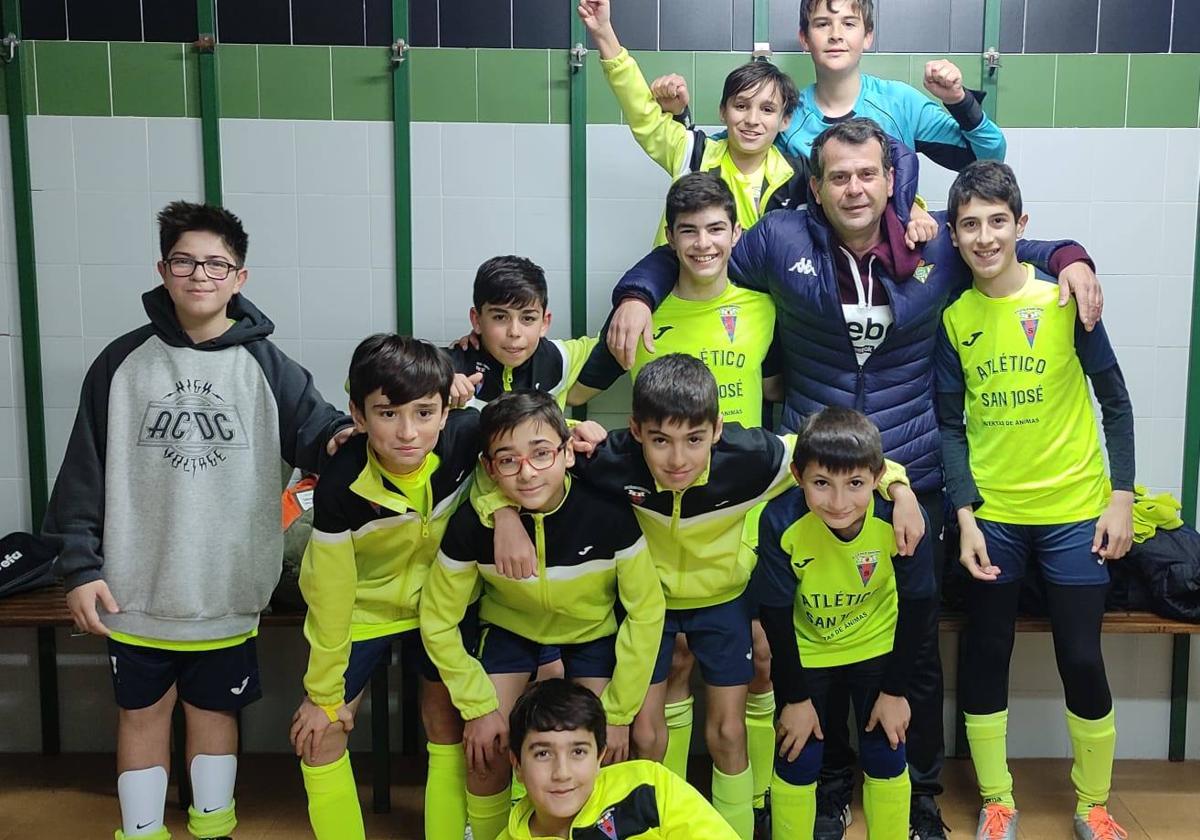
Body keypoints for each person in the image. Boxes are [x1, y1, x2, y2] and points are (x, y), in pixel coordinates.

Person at [604, 117, 1103, 839]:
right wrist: (635, 292)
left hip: (911, 474)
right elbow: (695, 253)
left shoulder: (933, 245)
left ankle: (920, 794)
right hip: (812, 475)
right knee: (815, 638)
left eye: (868, 173)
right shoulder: (780, 241)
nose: (855, 188)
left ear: (891, 180)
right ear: (816, 186)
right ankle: (831, 788)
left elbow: (1001, 245)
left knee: (914, 642)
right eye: (838, 176)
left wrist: (1070, 256)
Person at [42, 201, 353, 840]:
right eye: (184, 261)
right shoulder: (121, 363)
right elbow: (81, 476)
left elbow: (324, 433)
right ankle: (142, 832)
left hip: (226, 592)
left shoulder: (268, 366)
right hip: (135, 592)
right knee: (142, 716)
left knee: (214, 716)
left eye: (216, 263)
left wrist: (364, 429)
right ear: (163, 270)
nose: (200, 275)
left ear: (239, 277)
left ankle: (214, 829)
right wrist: (79, 568)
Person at [570, 171, 781, 826]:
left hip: (739, 520)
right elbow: (573, 389)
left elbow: (784, 395)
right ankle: (673, 819)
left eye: (717, 229)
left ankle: (757, 807)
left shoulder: (765, 308)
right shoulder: (638, 316)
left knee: (758, 669)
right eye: (688, 231)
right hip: (657, 536)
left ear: (736, 233)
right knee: (666, 688)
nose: (703, 243)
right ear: (668, 237)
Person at [934, 161, 1133, 840]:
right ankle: (997, 800)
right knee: (988, 653)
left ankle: (1094, 804)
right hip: (995, 521)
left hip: (1075, 515)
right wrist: (965, 516)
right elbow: (950, 427)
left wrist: (1121, 498)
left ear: (1021, 225)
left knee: (1081, 656)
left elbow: (1116, 404)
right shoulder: (955, 318)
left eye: (998, 221)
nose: (984, 237)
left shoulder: (1064, 300)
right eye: (969, 225)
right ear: (953, 236)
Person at [421, 390, 665, 840]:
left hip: (590, 632)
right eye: (508, 461)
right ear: (489, 469)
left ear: (567, 453)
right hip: (511, 629)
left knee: (603, 750)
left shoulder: (607, 511)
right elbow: (437, 619)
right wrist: (477, 706)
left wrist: (618, 712)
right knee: (487, 748)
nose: (527, 472)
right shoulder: (473, 524)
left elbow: (647, 611)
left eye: (541, 454)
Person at [288, 334, 480, 840]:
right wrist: (323, 694)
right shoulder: (341, 482)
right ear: (358, 414)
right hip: (361, 613)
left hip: (440, 610)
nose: (408, 432)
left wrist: (581, 431)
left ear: (445, 412)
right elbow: (331, 593)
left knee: (449, 725)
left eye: (424, 413)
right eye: (388, 413)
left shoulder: (465, 438)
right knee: (321, 734)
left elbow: (531, 434)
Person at [578, 0, 936, 251]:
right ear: (722, 112)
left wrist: (912, 204)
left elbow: (853, 195)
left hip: (757, 306)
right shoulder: (692, 154)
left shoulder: (798, 174)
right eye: (741, 106)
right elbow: (641, 111)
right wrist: (605, 33)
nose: (752, 120)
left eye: (767, 109)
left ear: (785, 121)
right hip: (680, 289)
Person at [755, 407, 935, 840]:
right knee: (797, 751)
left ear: (877, 477)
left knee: (887, 747)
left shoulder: (899, 518)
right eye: (821, 483)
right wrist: (795, 698)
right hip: (808, 651)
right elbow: (775, 614)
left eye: (855, 484)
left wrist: (895, 692)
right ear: (798, 476)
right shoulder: (779, 521)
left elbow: (919, 605)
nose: (838, 502)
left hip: (876, 647)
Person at [653, 0, 1005, 169]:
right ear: (804, 39)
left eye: (849, 23)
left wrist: (959, 100)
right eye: (822, 24)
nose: (836, 34)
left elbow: (989, 157)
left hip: (887, 271)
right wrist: (678, 115)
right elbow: (710, 157)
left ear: (868, 36)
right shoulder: (786, 114)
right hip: (810, 271)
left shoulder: (901, 103)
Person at [497, 679, 738, 839]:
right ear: (517, 765)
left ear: (599, 756)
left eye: (578, 752)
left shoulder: (648, 786)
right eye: (543, 754)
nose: (562, 773)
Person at [446, 255, 597, 413]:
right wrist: (438, 387)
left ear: (544, 323)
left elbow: (611, 340)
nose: (514, 332)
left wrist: (624, 300)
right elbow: (426, 369)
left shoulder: (560, 357)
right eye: (500, 317)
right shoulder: (447, 370)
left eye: (528, 318)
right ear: (477, 320)